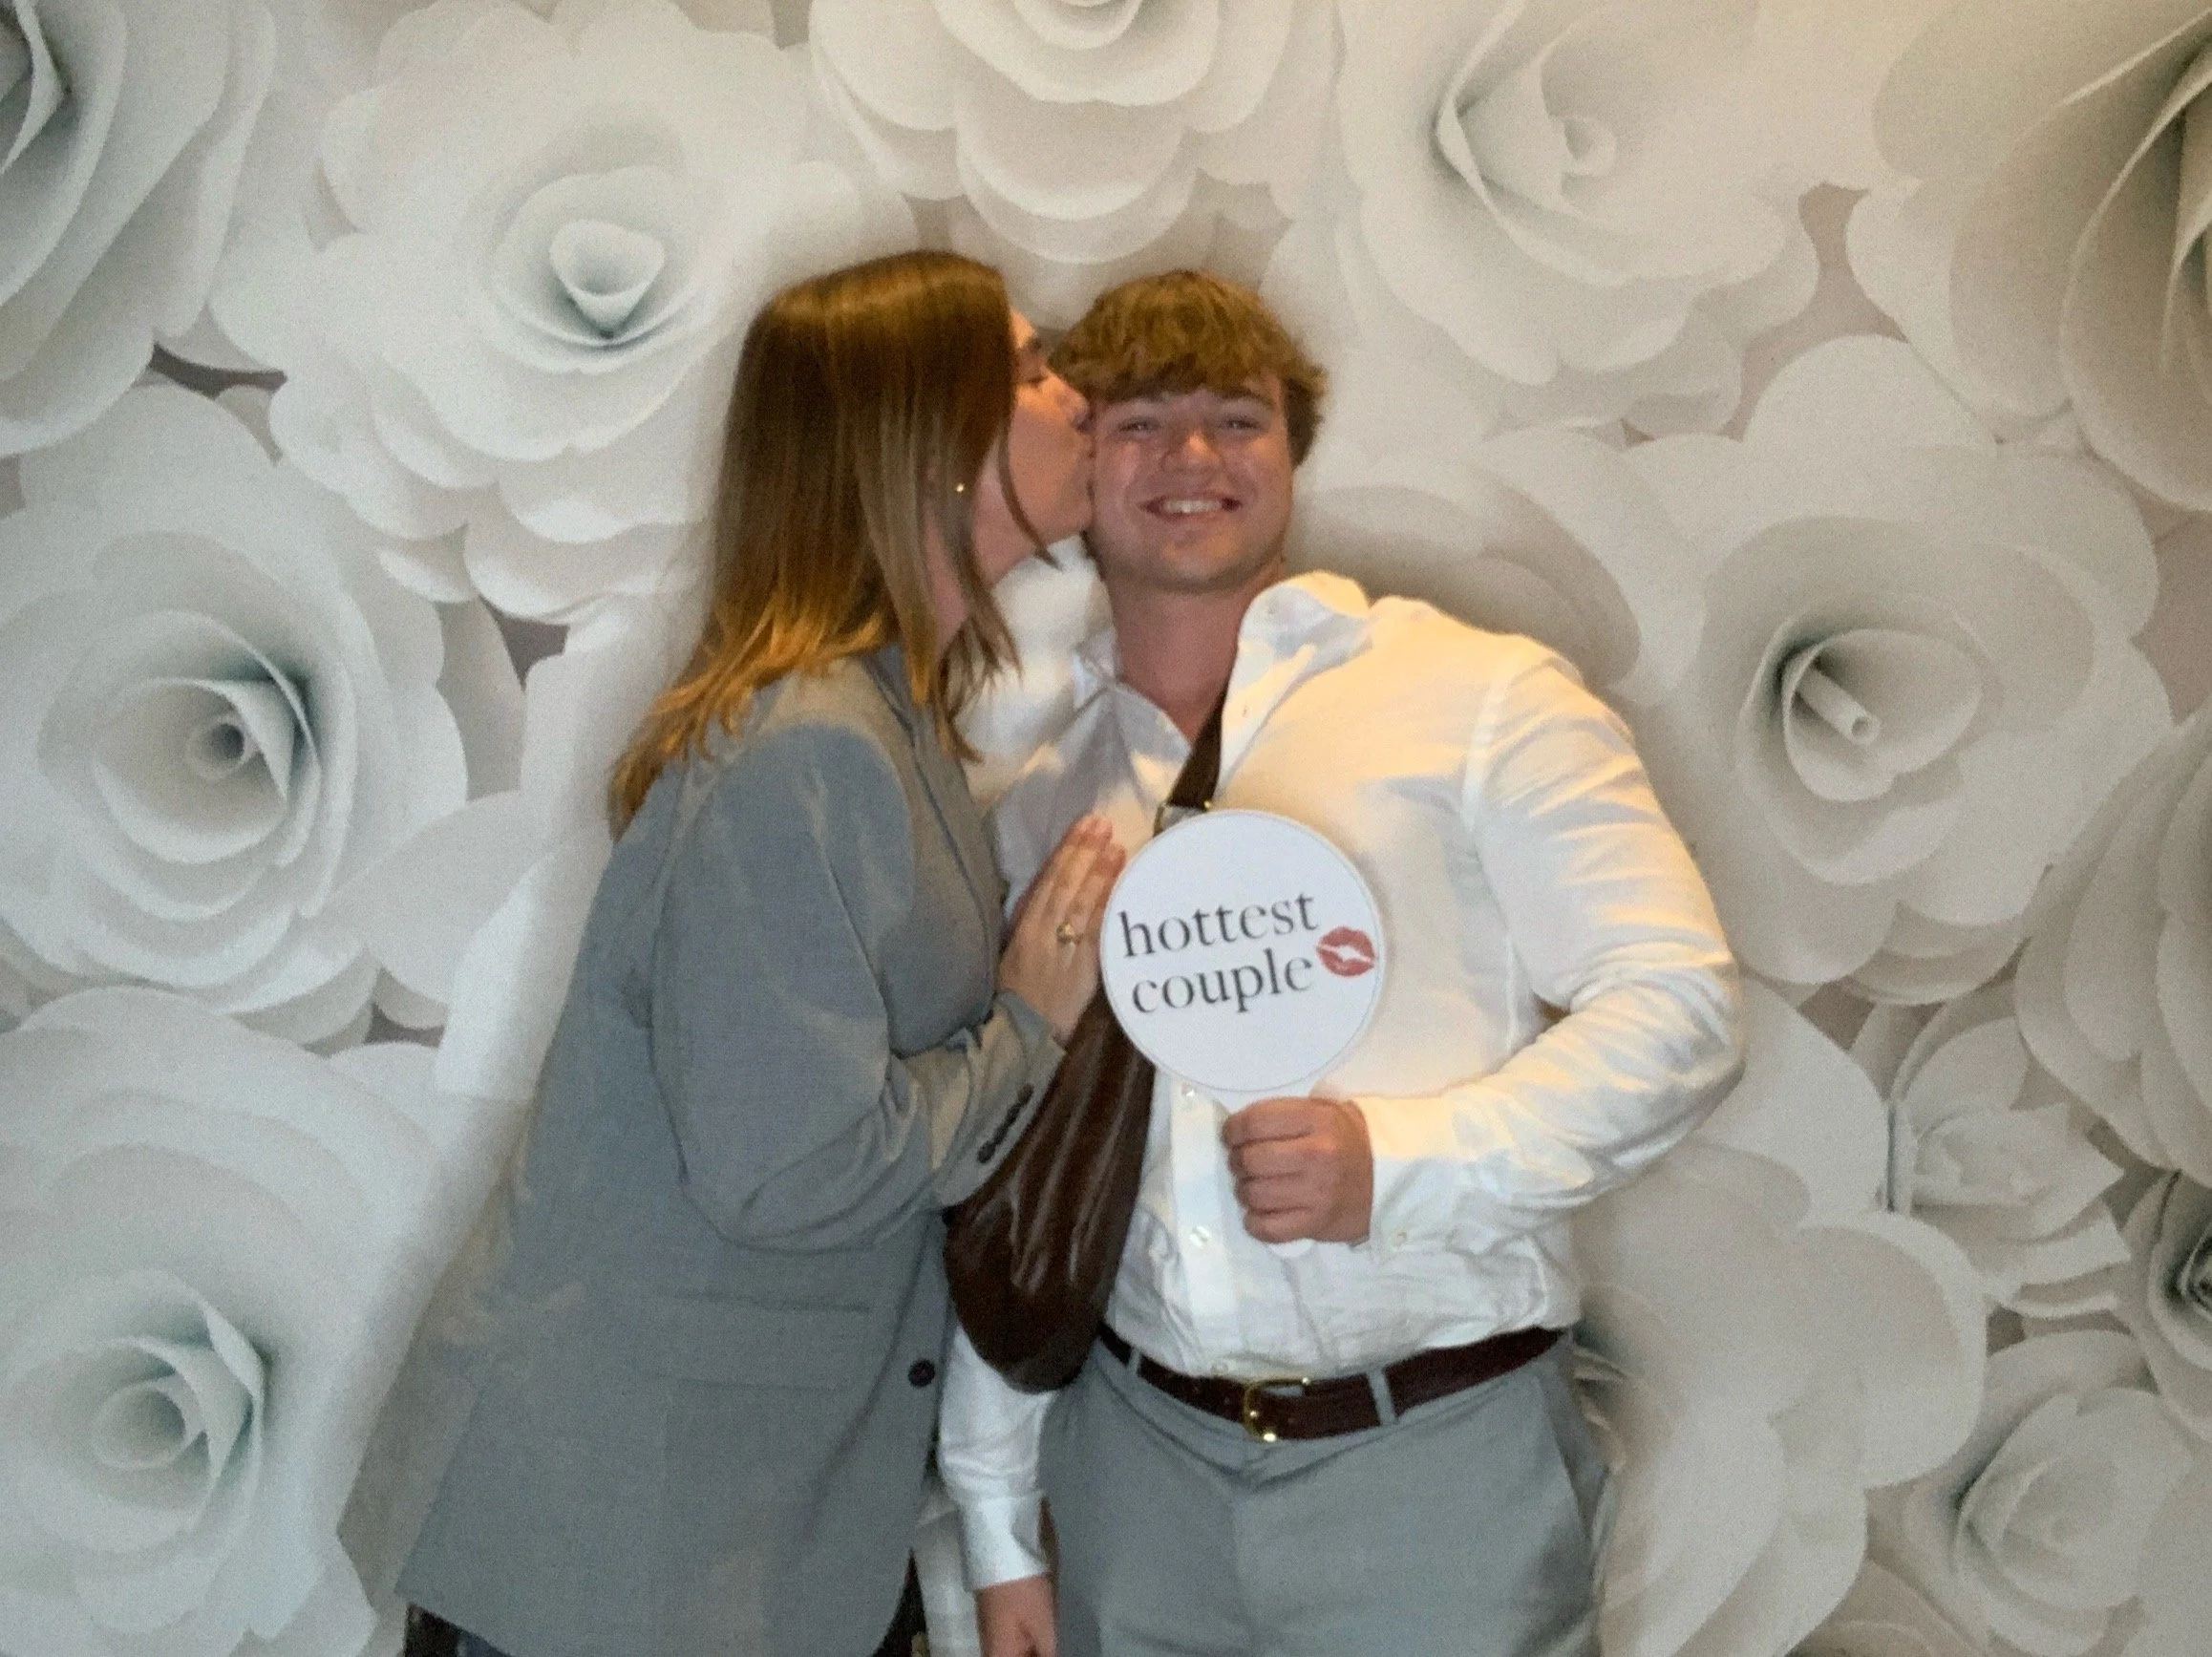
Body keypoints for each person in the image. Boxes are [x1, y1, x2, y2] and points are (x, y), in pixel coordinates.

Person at [938, 271, 1747, 1657]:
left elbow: (1680, 1010)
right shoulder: (1038, 789)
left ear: (1293, 453)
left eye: (1238, 417)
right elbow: (1017, 1164)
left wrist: (1400, 1163)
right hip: (1131, 1474)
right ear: (1079, 465)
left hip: (1432, 1472)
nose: (1193, 455)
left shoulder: (1477, 696)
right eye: (1140, 422)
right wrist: (1002, 1522)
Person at [396, 249, 1125, 1657]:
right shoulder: (808, 748)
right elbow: (793, 1170)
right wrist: (1027, 1028)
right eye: (1033, 370)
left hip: (720, 1533)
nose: (1077, 399)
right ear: (930, 440)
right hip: (630, 1552)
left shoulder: (886, 722)